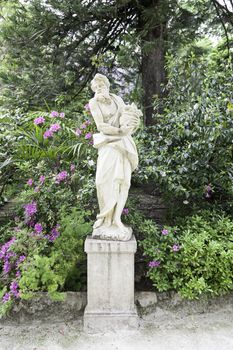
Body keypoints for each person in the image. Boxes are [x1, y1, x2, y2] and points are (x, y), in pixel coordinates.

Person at [89, 73, 141, 241]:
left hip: (123, 144)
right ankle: (105, 218)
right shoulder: (93, 103)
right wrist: (120, 131)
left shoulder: (118, 99)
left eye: (101, 85)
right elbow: (101, 126)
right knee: (102, 181)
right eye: (96, 87)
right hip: (108, 143)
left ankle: (117, 219)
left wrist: (132, 124)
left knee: (123, 182)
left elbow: (128, 118)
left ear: (107, 86)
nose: (99, 89)